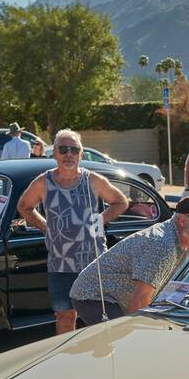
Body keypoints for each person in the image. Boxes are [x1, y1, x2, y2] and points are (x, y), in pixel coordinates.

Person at [16, 129, 127, 333]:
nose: (69, 154)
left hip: (94, 264)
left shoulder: (93, 181)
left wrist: (100, 219)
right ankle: (67, 360)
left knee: (99, 318)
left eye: (74, 150)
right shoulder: (43, 182)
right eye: (63, 149)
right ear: (55, 153)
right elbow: (24, 206)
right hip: (60, 266)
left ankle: (102, 361)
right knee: (65, 318)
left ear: (81, 154)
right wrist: (45, 226)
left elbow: (121, 201)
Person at [69, 196, 189, 326]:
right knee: (122, 340)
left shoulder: (188, 243)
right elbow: (140, 299)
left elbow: (169, 291)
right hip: (94, 296)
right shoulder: (161, 245)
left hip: (121, 298)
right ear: (183, 221)